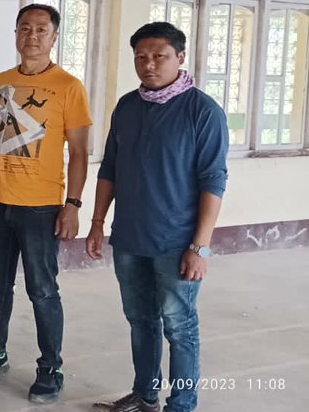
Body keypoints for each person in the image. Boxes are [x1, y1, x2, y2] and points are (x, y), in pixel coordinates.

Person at [0, 3, 92, 404]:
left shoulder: (69, 87)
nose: (31, 36)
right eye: (24, 28)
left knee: (43, 290)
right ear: (15, 33)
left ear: (54, 37)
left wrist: (74, 204)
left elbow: (80, 152)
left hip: (42, 208)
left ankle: (51, 368)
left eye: (41, 30)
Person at [86, 22, 228, 412]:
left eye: (159, 56)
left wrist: (200, 247)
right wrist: (97, 223)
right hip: (130, 238)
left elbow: (213, 181)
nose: (148, 65)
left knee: (180, 327)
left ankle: (181, 405)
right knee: (140, 320)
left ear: (180, 58)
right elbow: (109, 169)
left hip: (176, 243)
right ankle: (144, 394)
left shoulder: (203, 111)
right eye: (140, 57)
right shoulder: (128, 107)